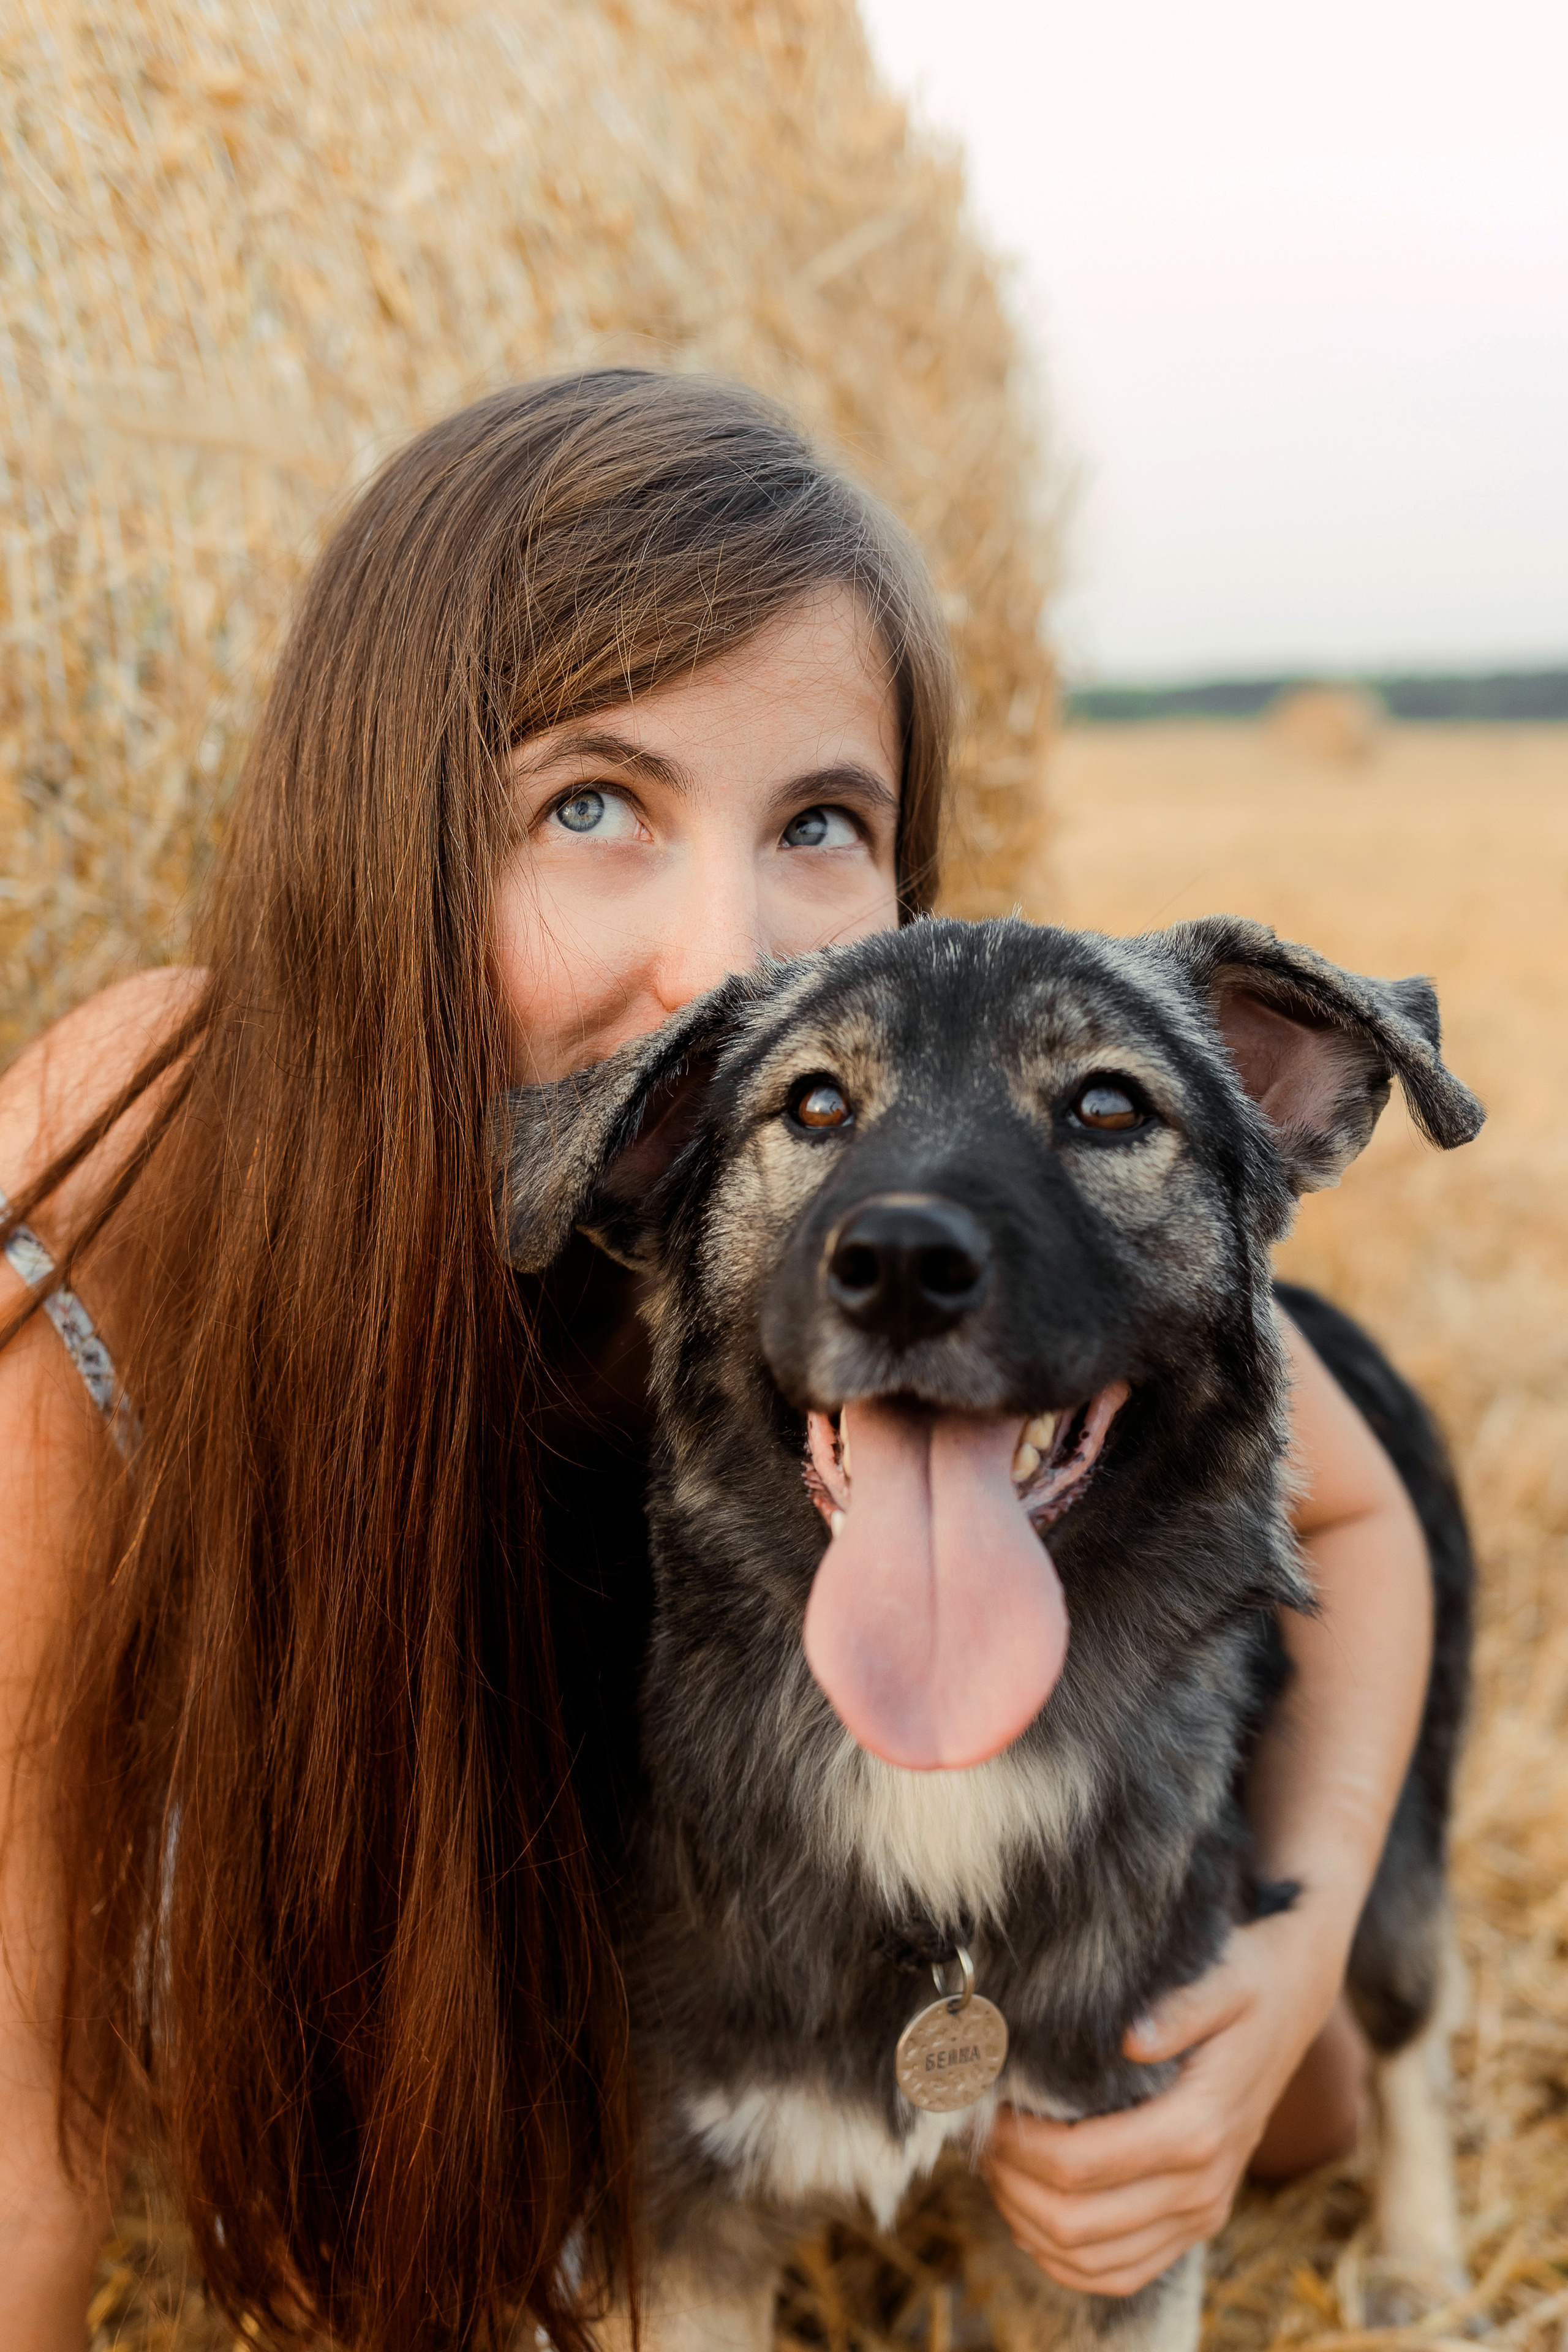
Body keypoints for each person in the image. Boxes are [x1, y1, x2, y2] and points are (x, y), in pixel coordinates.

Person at [0, 372, 1433, 2352]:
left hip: (923, 1874)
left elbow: (1355, 1506)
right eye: (593, 807)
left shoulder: (910, 1191)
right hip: (567, 1954)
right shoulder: (165, 1134)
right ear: (380, 825)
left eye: (822, 824)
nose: (723, 959)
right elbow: (23, 2011)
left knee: (1306, 2114)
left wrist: (1295, 1956)